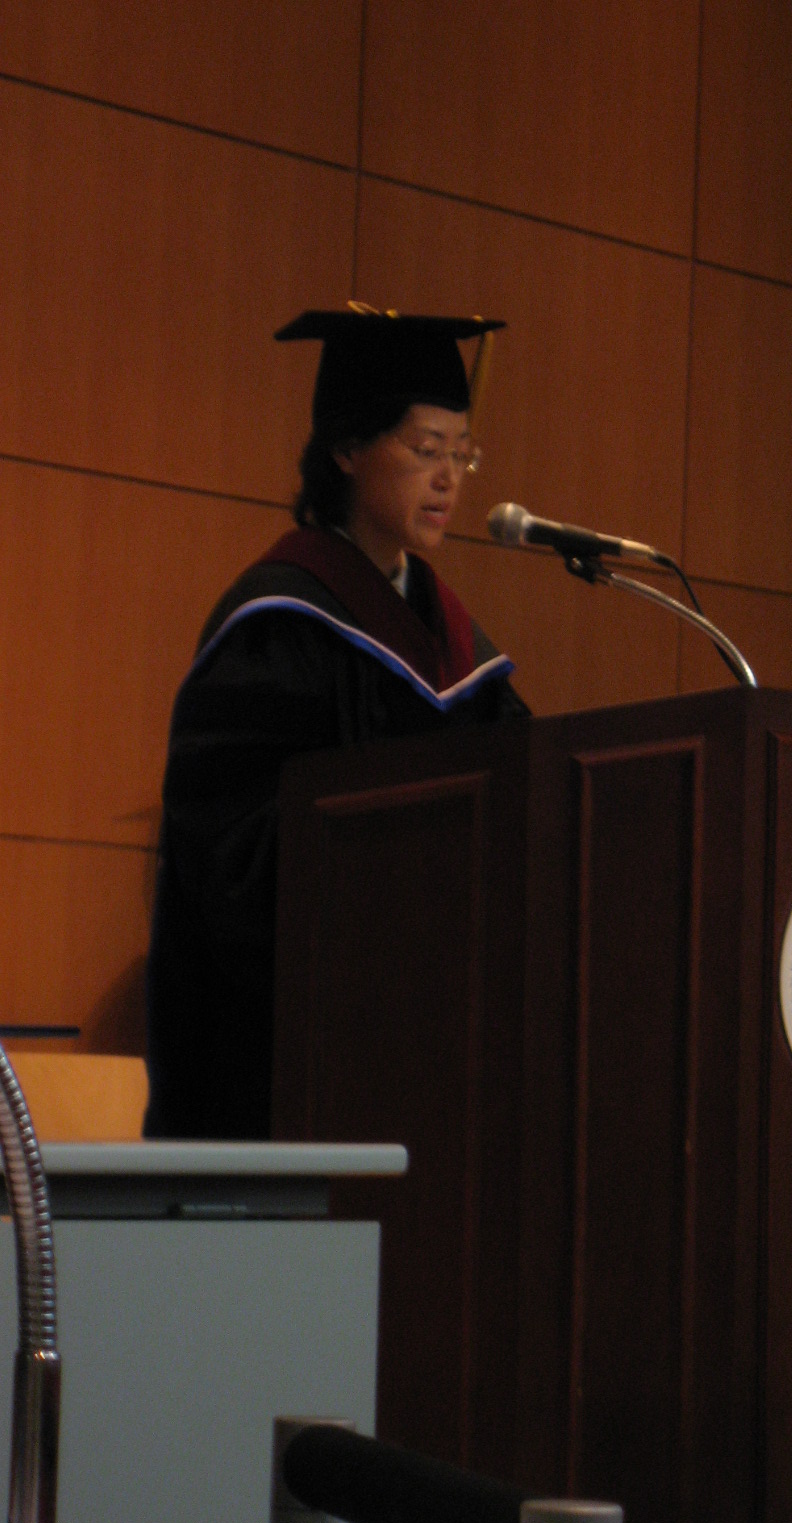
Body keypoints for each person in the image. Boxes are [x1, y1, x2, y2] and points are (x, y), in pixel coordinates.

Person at [144, 306, 526, 1139]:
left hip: (423, 1071)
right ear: (348, 449)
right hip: (278, 1078)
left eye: (462, 454)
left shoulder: (459, 649)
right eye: (426, 450)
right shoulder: (277, 629)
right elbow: (232, 871)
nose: (449, 479)